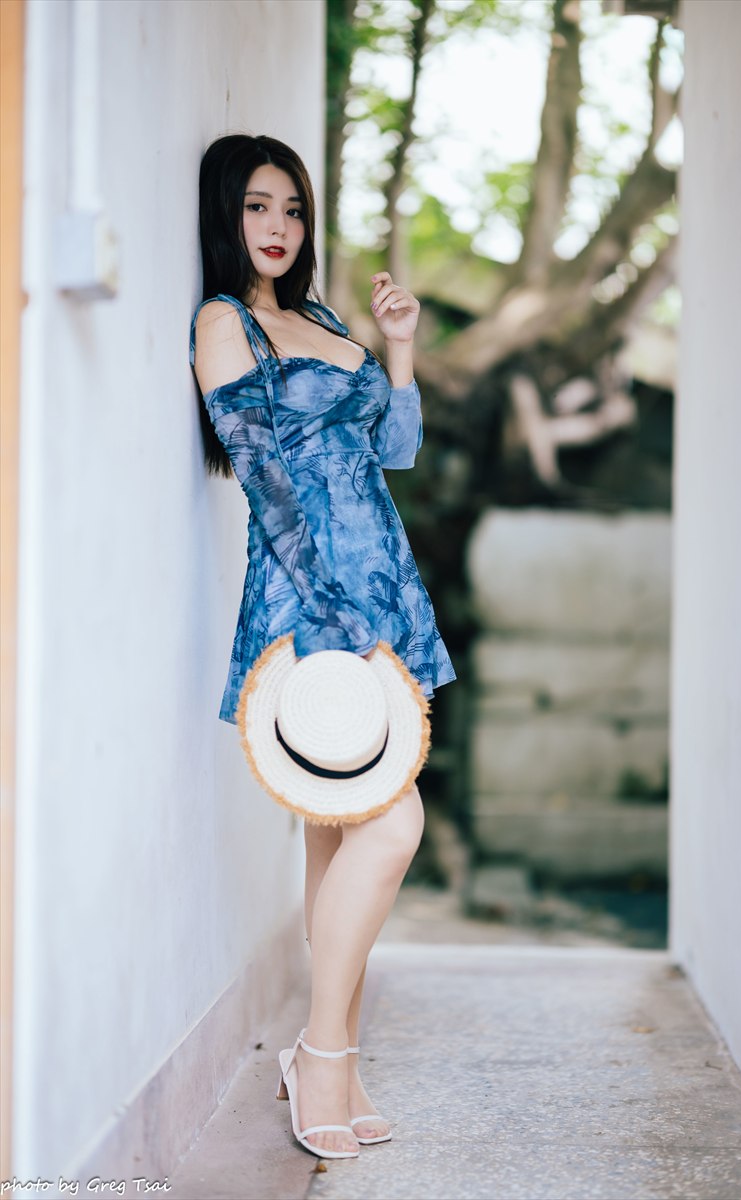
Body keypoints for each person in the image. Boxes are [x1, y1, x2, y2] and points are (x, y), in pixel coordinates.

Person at [189, 134, 456, 1159]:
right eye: (257, 206)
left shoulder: (328, 322)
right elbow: (262, 480)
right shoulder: (224, 323)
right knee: (391, 826)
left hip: (382, 589)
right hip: (310, 599)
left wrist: (398, 345)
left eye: (293, 209)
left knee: (338, 832)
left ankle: (329, 1058)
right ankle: (324, 1053)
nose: (278, 227)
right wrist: (324, 614)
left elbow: (395, 450)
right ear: (226, 214)